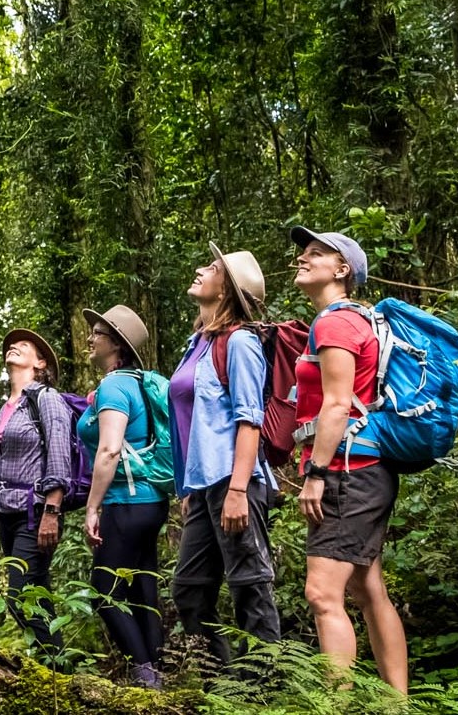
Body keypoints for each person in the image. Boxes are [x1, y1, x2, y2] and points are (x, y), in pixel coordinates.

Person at [290, 226, 408, 693]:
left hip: (346, 470)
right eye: (304, 251)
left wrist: (316, 474)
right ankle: (396, 703)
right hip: (368, 469)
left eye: (316, 253)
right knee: (367, 589)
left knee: (322, 593)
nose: (303, 258)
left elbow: (337, 405)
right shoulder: (360, 320)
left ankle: (336, 705)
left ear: (342, 271)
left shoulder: (335, 322)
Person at [169, 242, 281, 667]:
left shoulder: (240, 343)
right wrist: (189, 488)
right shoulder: (197, 343)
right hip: (204, 487)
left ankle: (266, 688)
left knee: (249, 583)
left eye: (212, 267)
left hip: (236, 481)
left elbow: (249, 420)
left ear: (227, 290)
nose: (200, 269)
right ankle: (226, 684)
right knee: (190, 589)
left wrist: (237, 488)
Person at [79, 305, 169, 689]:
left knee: (103, 590)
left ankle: (144, 673)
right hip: (151, 501)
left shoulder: (116, 385)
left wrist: (92, 506)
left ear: (115, 342)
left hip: (124, 501)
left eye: (96, 333)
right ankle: (158, 672)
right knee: (141, 585)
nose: (89, 338)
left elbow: (110, 450)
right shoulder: (136, 382)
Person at [0, 328, 73, 665]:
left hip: (35, 512)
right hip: (4, 513)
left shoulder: (46, 398)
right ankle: (57, 672)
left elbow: (60, 455)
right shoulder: (5, 408)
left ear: (40, 362)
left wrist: (52, 510)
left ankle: (58, 670)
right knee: (36, 592)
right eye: (10, 345)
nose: (14, 346)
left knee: (20, 594)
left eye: (25, 345)